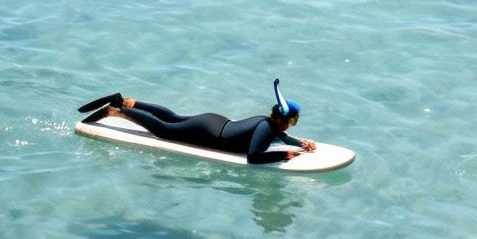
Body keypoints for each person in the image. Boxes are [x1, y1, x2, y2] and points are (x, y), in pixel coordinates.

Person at [79, 79, 317, 165]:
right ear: (281, 119)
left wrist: (299, 143)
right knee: (164, 129)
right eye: (291, 122)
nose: (289, 127)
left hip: (213, 121)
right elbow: (254, 156)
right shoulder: (267, 128)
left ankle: (130, 102)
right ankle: (117, 110)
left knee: (173, 118)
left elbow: (279, 137)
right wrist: (283, 156)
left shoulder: (269, 124)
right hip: (209, 133)